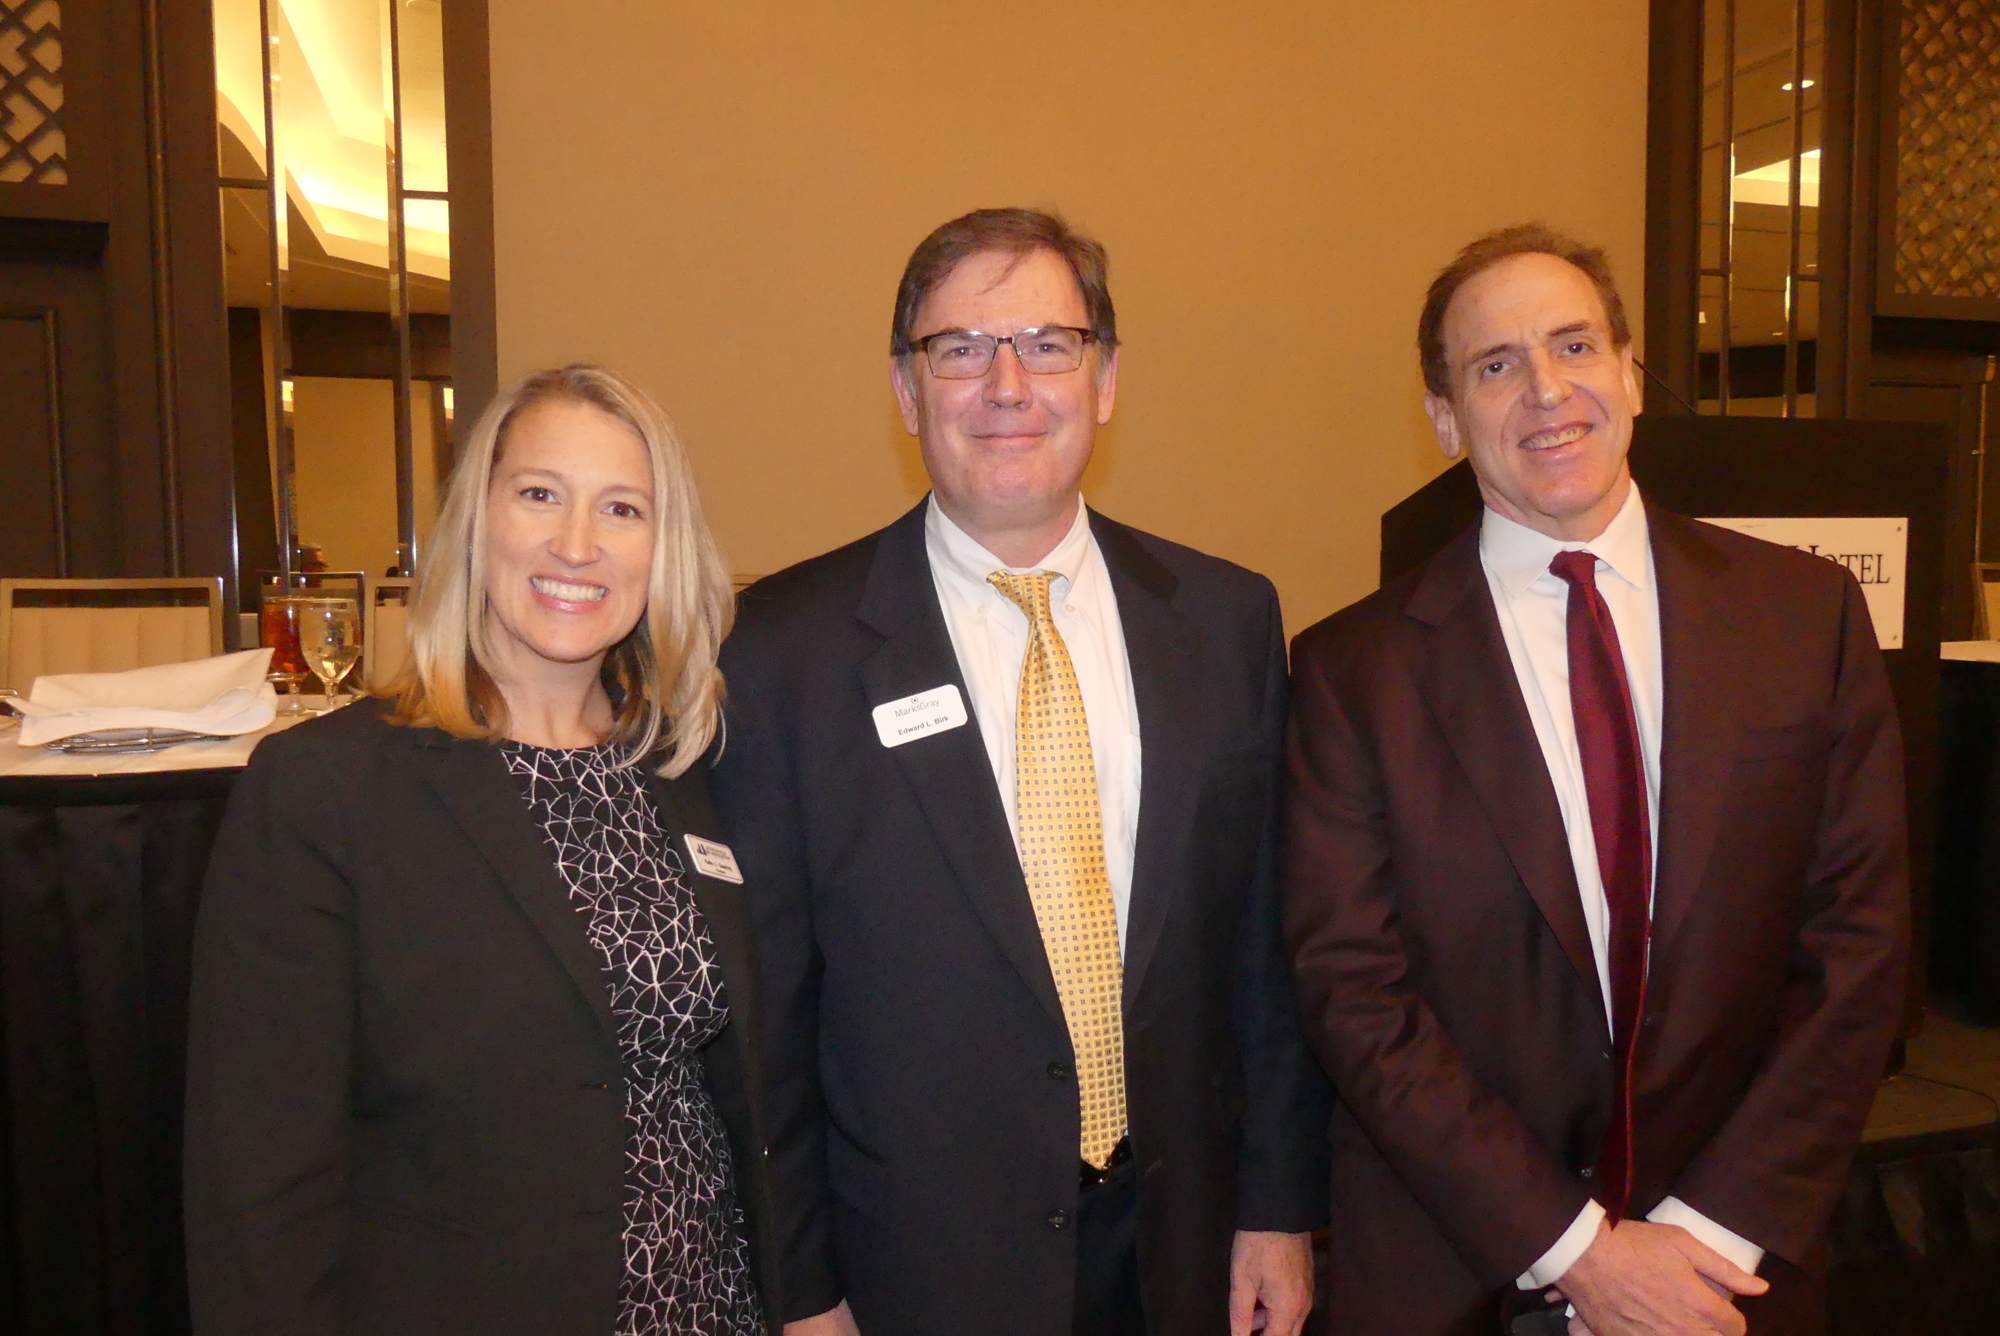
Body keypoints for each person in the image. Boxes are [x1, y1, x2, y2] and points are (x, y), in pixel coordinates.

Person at [708, 208, 1330, 1336]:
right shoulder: (783, 651)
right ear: (906, 391)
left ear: (1103, 379)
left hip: (1180, 1252)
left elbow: (1261, 949)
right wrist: (802, 1295)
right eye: (959, 348)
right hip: (914, 1270)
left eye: (1048, 343)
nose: (1007, 384)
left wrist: (1277, 1208)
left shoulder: (1227, 619)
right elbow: (767, 1022)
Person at [1281, 224, 1908, 1336]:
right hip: (1459, 1274)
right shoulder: (1350, 671)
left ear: (1626, 371)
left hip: (1730, 1277)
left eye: (1573, 346)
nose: (1545, 390)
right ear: (1441, 416)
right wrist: (1582, 1255)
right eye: (1494, 364)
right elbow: (1353, 992)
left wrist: (1701, 1241)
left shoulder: (1802, 617)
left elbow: (1855, 950)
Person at [185, 364, 778, 1336]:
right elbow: (256, 1173)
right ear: (475, 522)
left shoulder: (683, 767)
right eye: (539, 493)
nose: (577, 544)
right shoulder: (325, 789)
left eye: (621, 508)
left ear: (660, 548)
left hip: (711, 1308)